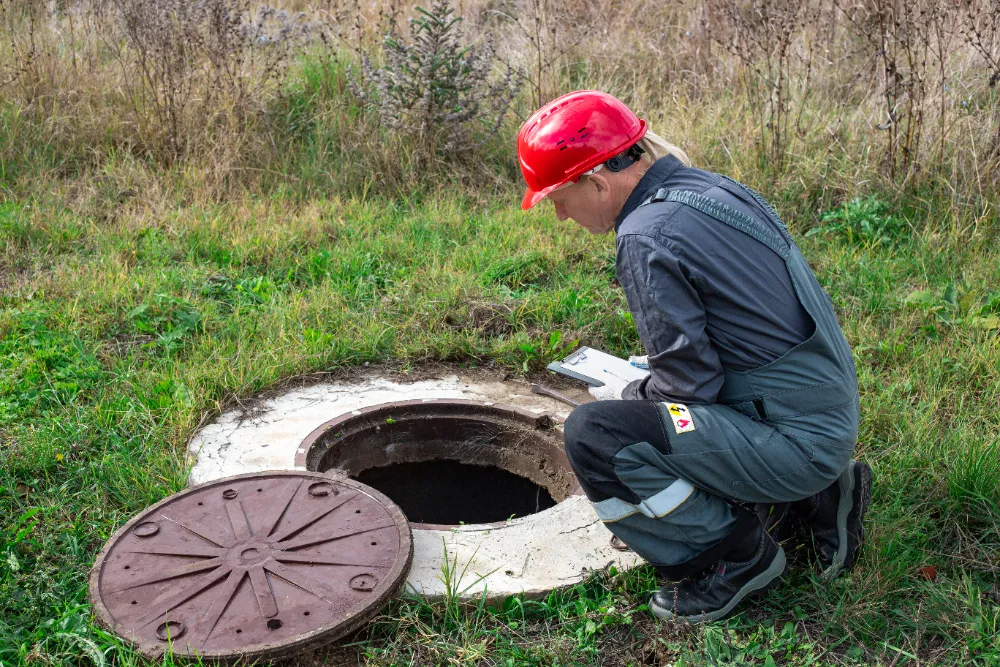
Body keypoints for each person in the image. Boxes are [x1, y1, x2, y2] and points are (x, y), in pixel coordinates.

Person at [516, 90, 872, 623]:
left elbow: (686, 390)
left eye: (558, 198)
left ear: (596, 182)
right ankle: (820, 493)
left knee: (597, 437)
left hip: (796, 440)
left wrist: (629, 394)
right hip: (823, 410)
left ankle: (731, 557)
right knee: (649, 402)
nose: (562, 215)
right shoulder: (706, 189)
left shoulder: (643, 236)